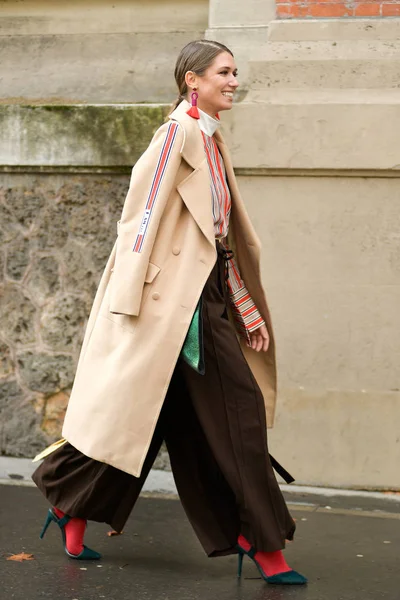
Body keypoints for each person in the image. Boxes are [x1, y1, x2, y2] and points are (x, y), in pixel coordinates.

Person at [32, 39, 307, 585]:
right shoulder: (176, 136)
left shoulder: (209, 137)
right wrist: (128, 305)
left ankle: (69, 502)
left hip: (204, 299)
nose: (234, 80)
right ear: (193, 80)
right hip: (171, 308)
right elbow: (139, 219)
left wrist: (242, 305)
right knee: (239, 413)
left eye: (235, 72)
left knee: (148, 417)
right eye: (224, 72)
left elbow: (219, 240)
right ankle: (260, 540)